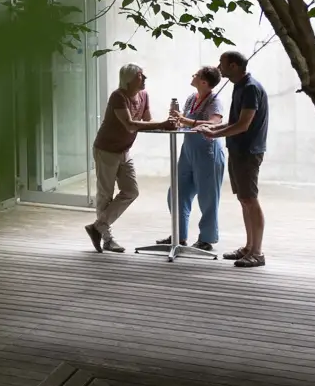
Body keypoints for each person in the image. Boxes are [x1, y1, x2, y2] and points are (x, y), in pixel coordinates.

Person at [86, 62, 170, 253]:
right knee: (105, 194)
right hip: (106, 150)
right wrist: (163, 124)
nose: (144, 78)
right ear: (128, 79)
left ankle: (98, 226)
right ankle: (107, 239)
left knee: (131, 191)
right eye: (140, 75)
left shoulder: (144, 95)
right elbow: (131, 125)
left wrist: (168, 123)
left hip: (124, 150)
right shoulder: (118, 96)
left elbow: (147, 120)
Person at [196, 50, 269, 268]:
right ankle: (249, 247)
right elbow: (235, 121)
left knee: (250, 199)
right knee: (244, 199)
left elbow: (244, 125)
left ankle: (257, 252)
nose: (219, 67)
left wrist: (214, 134)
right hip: (238, 150)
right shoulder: (240, 86)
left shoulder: (250, 88)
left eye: (222, 63)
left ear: (234, 66)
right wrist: (213, 128)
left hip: (248, 151)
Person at [171, 67, 225, 250]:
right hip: (188, 151)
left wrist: (187, 121)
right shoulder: (191, 98)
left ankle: (207, 239)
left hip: (207, 152)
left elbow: (214, 123)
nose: (192, 76)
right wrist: (177, 121)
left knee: (208, 197)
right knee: (176, 193)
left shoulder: (214, 101)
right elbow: (183, 121)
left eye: (196, 75)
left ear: (204, 82)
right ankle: (178, 235)